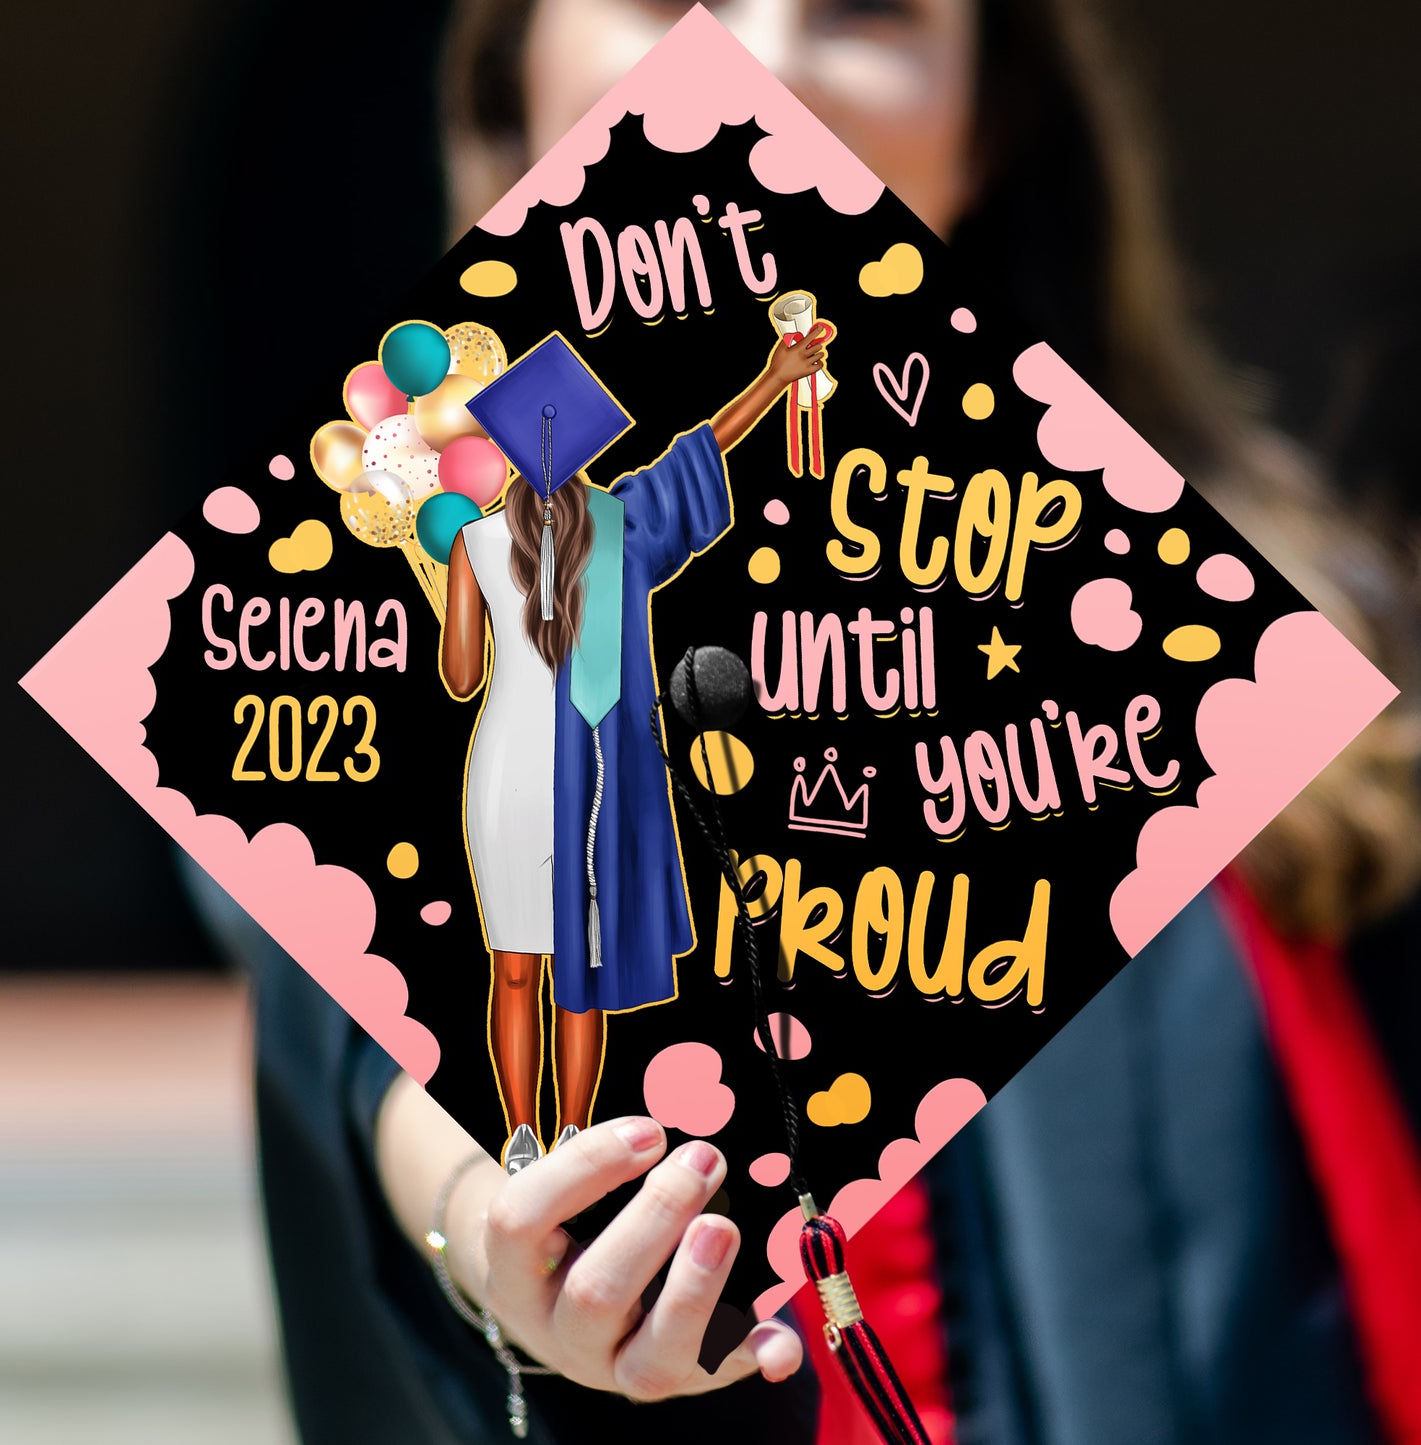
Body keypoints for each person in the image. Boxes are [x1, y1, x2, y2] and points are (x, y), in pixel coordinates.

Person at [192, 2, 1421, 1442]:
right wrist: (495, 1224)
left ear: (992, 120)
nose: (758, 65)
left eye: (865, 7)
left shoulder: (1255, 635)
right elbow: (366, 1027)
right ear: (510, 87)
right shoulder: (381, 581)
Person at [439, 330, 828, 1174]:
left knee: (571, 964)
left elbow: (703, 444)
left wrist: (770, 378)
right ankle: (518, 1133)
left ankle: (572, 1132)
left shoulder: (616, 529)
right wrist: (450, 587)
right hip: (509, 774)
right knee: (514, 960)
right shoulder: (471, 548)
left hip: (593, 771)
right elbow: (462, 679)